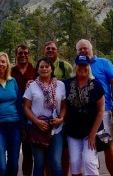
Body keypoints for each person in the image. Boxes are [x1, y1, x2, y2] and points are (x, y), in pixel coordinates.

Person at [76, 39, 113, 176]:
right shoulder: (77, 65)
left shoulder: (103, 63)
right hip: (84, 114)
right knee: (90, 149)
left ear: (91, 49)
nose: (83, 51)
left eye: (85, 48)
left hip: (104, 111)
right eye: (80, 49)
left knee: (107, 146)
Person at [23, 57, 66, 176]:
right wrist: (36, 121)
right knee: (39, 163)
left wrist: (61, 119)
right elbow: (26, 107)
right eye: (41, 67)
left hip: (56, 129)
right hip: (37, 129)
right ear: (37, 70)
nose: (44, 69)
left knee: (56, 163)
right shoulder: (32, 86)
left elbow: (63, 106)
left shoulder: (60, 85)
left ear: (51, 69)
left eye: (47, 66)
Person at [64, 54, 105, 176]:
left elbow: (100, 110)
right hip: (73, 131)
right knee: (75, 163)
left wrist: (93, 134)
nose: (82, 67)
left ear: (89, 67)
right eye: (79, 65)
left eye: (85, 65)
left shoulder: (96, 85)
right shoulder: (66, 84)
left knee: (89, 162)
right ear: (75, 67)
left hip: (91, 131)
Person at [44, 41, 72, 176]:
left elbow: (73, 86)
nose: (50, 50)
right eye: (48, 48)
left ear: (57, 51)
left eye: (53, 49)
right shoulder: (41, 66)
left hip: (64, 114)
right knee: (46, 151)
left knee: (65, 150)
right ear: (44, 51)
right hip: (44, 116)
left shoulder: (65, 66)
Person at [11, 44, 36, 176]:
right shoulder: (10, 72)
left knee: (28, 153)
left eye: (25, 53)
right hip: (14, 116)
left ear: (28, 55)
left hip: (30, 116)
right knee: (13, 153)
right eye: (20, 53)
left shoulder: (35, 70)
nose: (23, 55)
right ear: (16, 55)